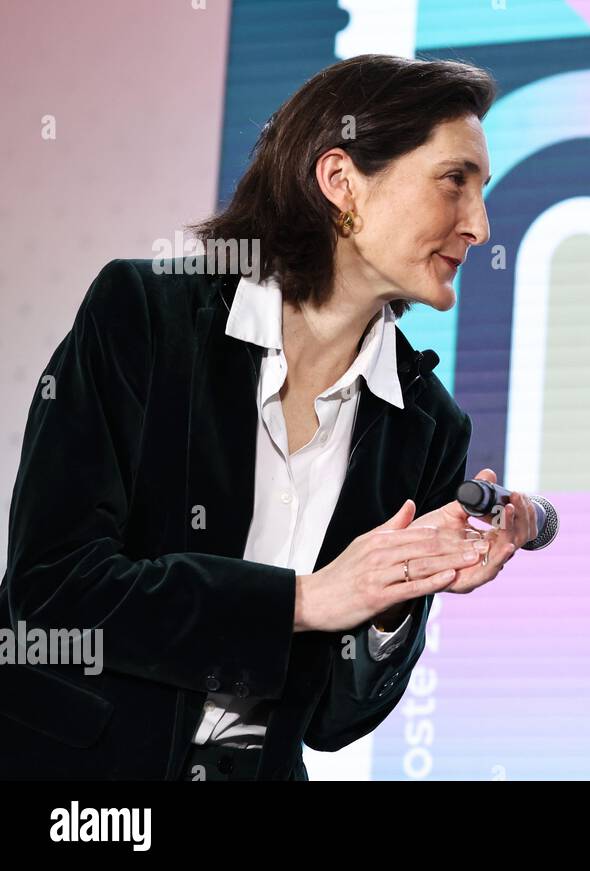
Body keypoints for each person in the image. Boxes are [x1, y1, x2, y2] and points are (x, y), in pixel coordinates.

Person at [0, 54, 536, 780]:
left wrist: (392, 597)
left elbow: (332, 723)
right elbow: (54, 592)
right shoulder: (145, 315)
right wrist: (306, 599)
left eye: (483, 191)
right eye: (454, 181)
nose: (479, 224)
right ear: (341, 180)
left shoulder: (429, 425)